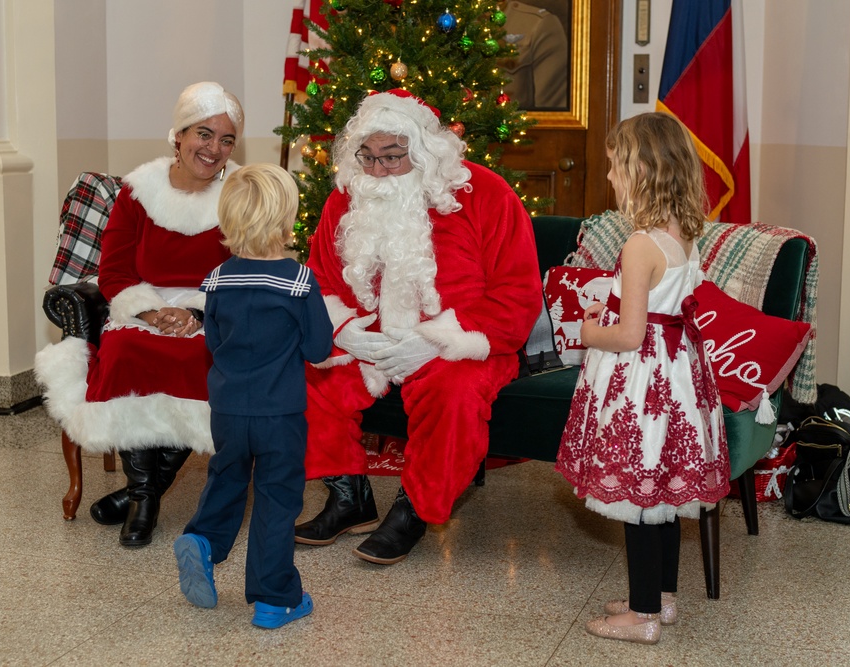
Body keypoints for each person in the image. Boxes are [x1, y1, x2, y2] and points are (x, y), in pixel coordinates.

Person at [294, 89, 542, 565]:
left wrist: (437, 342)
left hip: (462, 345)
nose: (376, 171)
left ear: (425, 152)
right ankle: (349, 498)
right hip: (368, 340)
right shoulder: (344, 199)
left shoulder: (485, 194)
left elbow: (518, 294)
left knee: (454, 392)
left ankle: (414, 509)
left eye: (392, 157)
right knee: (306, 372)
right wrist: (343, 330)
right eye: (367, 157)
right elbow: (320, 278)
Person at [35, 81, 243, 547]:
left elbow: (246, 266)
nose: (214, 149)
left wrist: (199, 314)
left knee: (201, 361)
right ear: (179, 134)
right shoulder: (138, 191)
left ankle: (139, 495)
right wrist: (150, 312)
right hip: (142, 306)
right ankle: (145, 497)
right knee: (127, 349)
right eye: (203, 135)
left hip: (212, 309)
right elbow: (112, 271)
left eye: (226, 139)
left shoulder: (239, 193)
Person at [554, 112, 730, 645]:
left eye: (615, 167)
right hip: (677, 378)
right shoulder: (684, 235)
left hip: (642, 384)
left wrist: (584, 329)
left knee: (638, 498)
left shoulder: (638, 245)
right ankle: (661, 596)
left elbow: (629, 334)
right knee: (665, 496)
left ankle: (642, 616)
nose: (609, 177)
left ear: (644, 172)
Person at [173, 163, 332, 629]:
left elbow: (212, 339)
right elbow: (318, 348)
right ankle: (274, 597)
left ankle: (202, 539)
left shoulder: (218, 278)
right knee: (277, 498)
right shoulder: (298, 281)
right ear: (286, 221)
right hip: (279, 412)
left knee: (226, 477)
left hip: (226, 409)